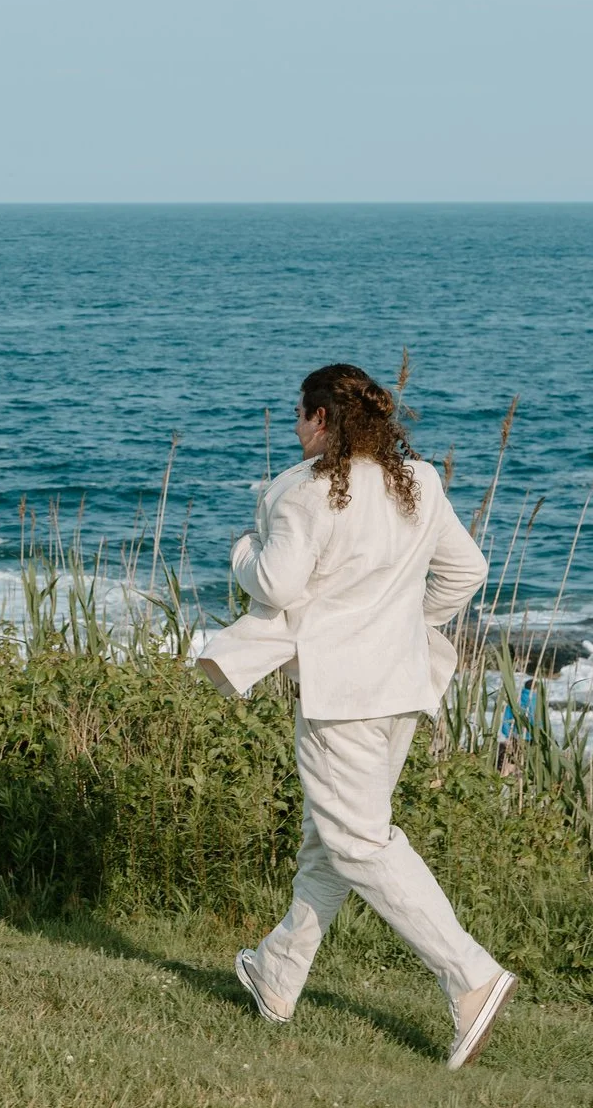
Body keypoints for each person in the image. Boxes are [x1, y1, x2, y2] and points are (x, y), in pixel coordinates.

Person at [196, 363, 517, 1069]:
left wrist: (241, 553)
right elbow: (466, 573)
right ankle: (278, 975)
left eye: (300, 415)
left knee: (360, 841)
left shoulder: (302, 493)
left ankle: (471, 976)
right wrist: (400, 623)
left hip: (341, 695)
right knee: (331, 840)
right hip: (400, 686)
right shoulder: (420, 483)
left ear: (320, 419)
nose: (295, 427)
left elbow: (275, 581)